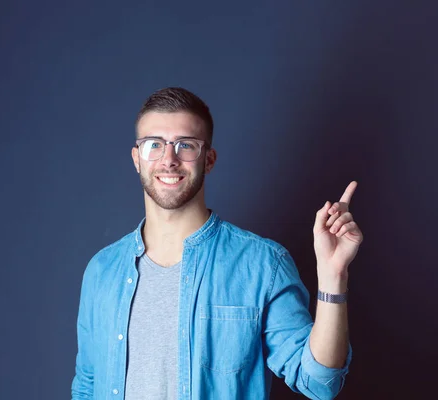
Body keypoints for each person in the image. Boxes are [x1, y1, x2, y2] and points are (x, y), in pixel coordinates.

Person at [71, 87, 363, 400]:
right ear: (136, 159)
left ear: (208, 159)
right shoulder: (101, 272)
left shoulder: (262, 264)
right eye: (154, 144)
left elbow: (319, 383)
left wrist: (334, 276)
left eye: (185, 145)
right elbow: (87, 387)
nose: (168, 160)